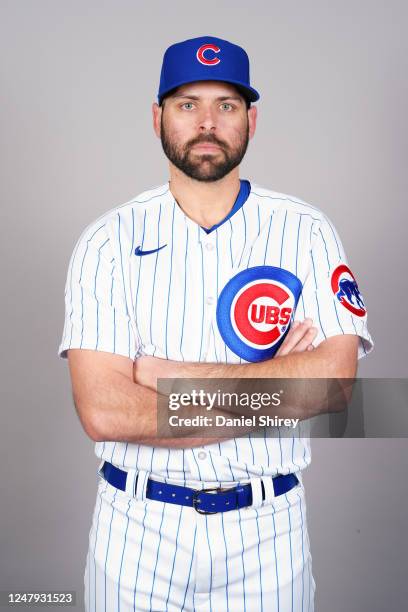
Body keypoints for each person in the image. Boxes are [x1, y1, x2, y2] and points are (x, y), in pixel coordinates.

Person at [59, 36, 374, 612]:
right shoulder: (107, 241)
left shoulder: (306, 230)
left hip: (268, 531)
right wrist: (277, 385)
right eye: (187, 104)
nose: (207, 122)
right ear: (158, 118)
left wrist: (167, 376)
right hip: (137, 529)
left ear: (251, 120)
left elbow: (334, 384)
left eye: (226, 105)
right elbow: (104, 411)